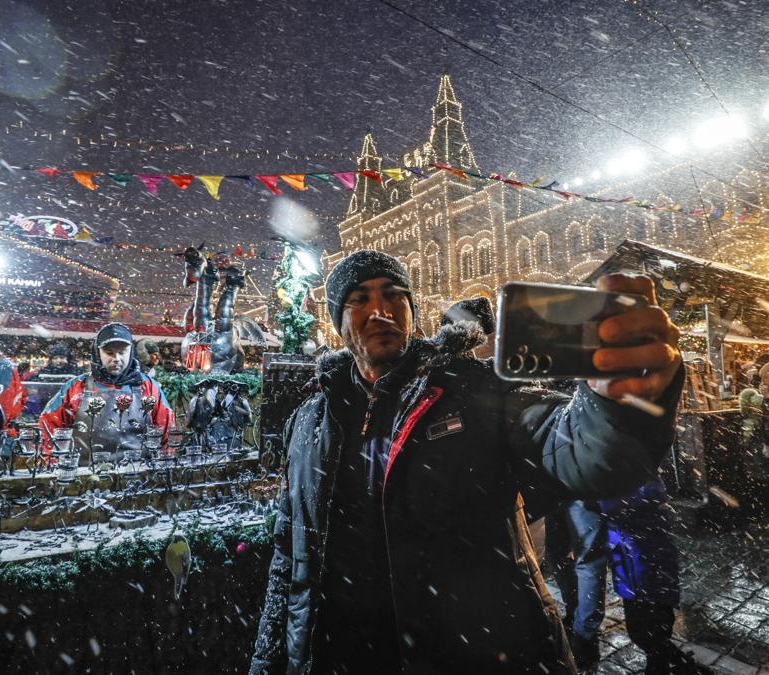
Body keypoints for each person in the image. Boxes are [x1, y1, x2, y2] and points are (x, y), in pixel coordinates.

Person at [250, 250, 684, 674]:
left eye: (394, 295)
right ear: (337, 321)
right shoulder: (308, 420)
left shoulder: (473, 388)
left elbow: (578, 450)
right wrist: (266, 662)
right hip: (343, 655)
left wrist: (615, 406)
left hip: (473, 651)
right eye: (359, 299)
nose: (380, 310)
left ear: (411, 310)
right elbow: (290, 557)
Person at [600, 480, 712, 674]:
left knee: (650, 631)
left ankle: (677, 665)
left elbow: (648, 493)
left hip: (643, 562)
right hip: (634, 564)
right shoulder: (622, 475)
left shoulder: (631, 476)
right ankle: (680, 664)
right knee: (647, 632)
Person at [39, 323, 174, 462]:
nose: (116, 358)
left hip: (139, 471)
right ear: (98, 353)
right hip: (84, 472)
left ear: (131, 352)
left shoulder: (149, 387)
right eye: (109, 352)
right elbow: (49, 429)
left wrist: (163, 466)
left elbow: (167, 433)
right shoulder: (75, 387)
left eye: (122, 352)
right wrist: (54, 466)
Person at [545, 500, 609, 670]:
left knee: (588, 561)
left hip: (583, 492)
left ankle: (584, 636)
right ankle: (575, 615)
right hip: (555, 492)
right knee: (557, 554)